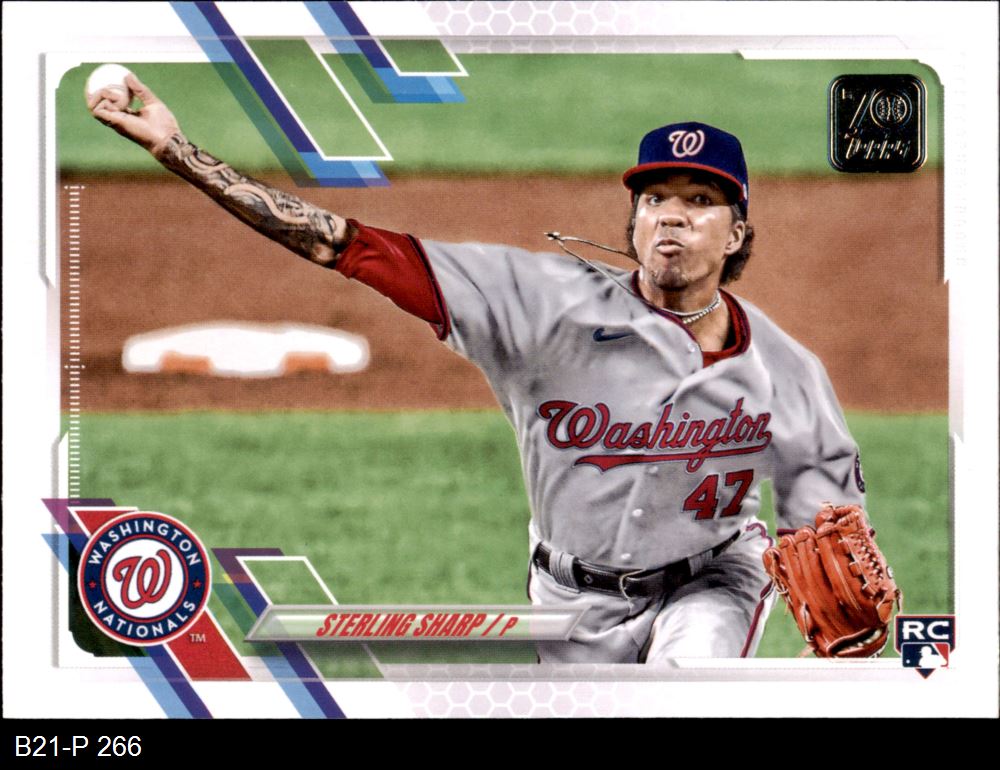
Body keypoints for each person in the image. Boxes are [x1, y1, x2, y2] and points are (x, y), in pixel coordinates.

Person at [90, 74, 868, 663]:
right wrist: (177, 152)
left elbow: (826, 521)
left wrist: (841, 643)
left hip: (713, 584)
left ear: (736, 234)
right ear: (632, 221)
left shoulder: (786, 370)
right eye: (654, 197)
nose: (671, 214)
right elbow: (341, 242)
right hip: (569, 599)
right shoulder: (538, 308)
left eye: (699, 200)